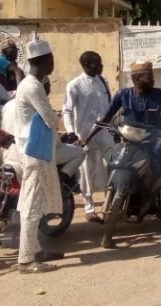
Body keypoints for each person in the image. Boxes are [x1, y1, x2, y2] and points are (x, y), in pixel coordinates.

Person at [89, 61, 161, 189]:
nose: (152, 80)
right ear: (135, 78)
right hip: (130, 136)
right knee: (114, 157)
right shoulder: (123, 95)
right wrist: (87, 138)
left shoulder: (159, 94)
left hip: (156, 135)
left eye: (152, 76)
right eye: (148, 76)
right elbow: (106, 117)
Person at [14, 38, 62, 273]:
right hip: (35, 154)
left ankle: (35, 250)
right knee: (32, 206)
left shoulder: (28, 84)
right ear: (42, 61)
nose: (53, 64)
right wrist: (58, 119)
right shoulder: (33, 86)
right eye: (51, 59)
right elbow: (49, 117)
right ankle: (26, 260)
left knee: (32, 203)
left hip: (32, 151)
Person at [61, 51, 112, 223]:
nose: (101, 66)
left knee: (110, 166)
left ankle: (109, 204)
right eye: (98, 63)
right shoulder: (74, 85)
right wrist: (70, 131)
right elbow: (66, 110)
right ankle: (89, 208)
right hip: (85, 135)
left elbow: (109, 107)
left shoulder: (103, 82)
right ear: (87, 65)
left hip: (105, 133)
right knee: (86, 172)